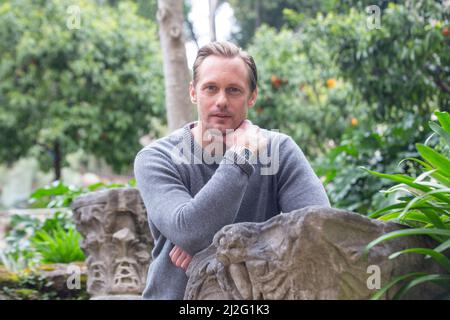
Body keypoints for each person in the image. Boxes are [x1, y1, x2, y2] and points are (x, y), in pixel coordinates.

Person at [134, 41, 330, 300]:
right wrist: (240, 158)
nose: (221, 101)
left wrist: (216, 249)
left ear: (252, 96)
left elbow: (319, 232)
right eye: (211, 88)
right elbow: (191, 231)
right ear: (194, 92)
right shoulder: (157, 158)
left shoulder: (280, 151)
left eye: (234, 90)